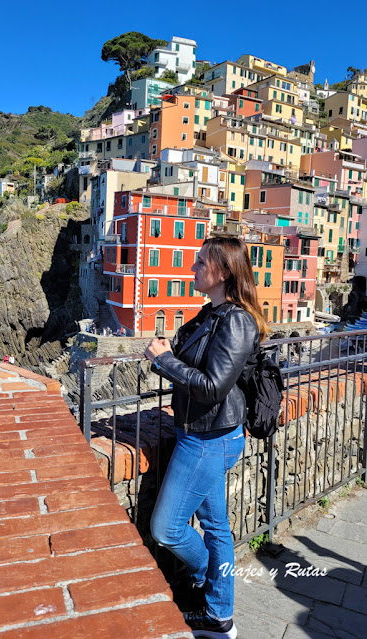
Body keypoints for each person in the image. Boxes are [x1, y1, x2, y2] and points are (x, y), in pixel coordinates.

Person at [144, 236, 267, 639]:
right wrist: (168, 353)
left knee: (167, 529)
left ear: (224, 272)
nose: (193, 268)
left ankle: (209, 580)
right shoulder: (209, 315)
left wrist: (163, 360)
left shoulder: (237, 320)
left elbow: (213, 386)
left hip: (209, 438)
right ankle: (219, 617)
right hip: (203, 432)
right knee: (216, 528)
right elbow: (189, 359)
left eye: (200, 263)